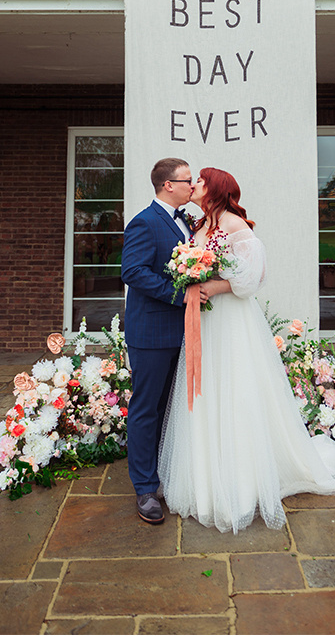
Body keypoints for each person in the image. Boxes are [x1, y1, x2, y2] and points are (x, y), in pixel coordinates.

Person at [158, 167, 335, 532]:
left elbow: (253, 277)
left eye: (201, 181)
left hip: (231, 320)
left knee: (235, 390)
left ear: (215, 190)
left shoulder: (235, 226)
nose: (194, 185)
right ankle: (205, 480)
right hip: (205, 322)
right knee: (205, 390)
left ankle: (241, 485)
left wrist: (215, 288)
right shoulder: (198, 226)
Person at [117, 158, 196, 525]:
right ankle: (145, 488)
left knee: (170, 408)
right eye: (187, 181)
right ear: (168, 185)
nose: (192, 186)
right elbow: (132, 271)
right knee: (147, 409)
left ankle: (165, 472)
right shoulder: (145, 222)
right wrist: (178, 295)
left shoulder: (186, 222)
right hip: (150, 332)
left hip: (182, 332)